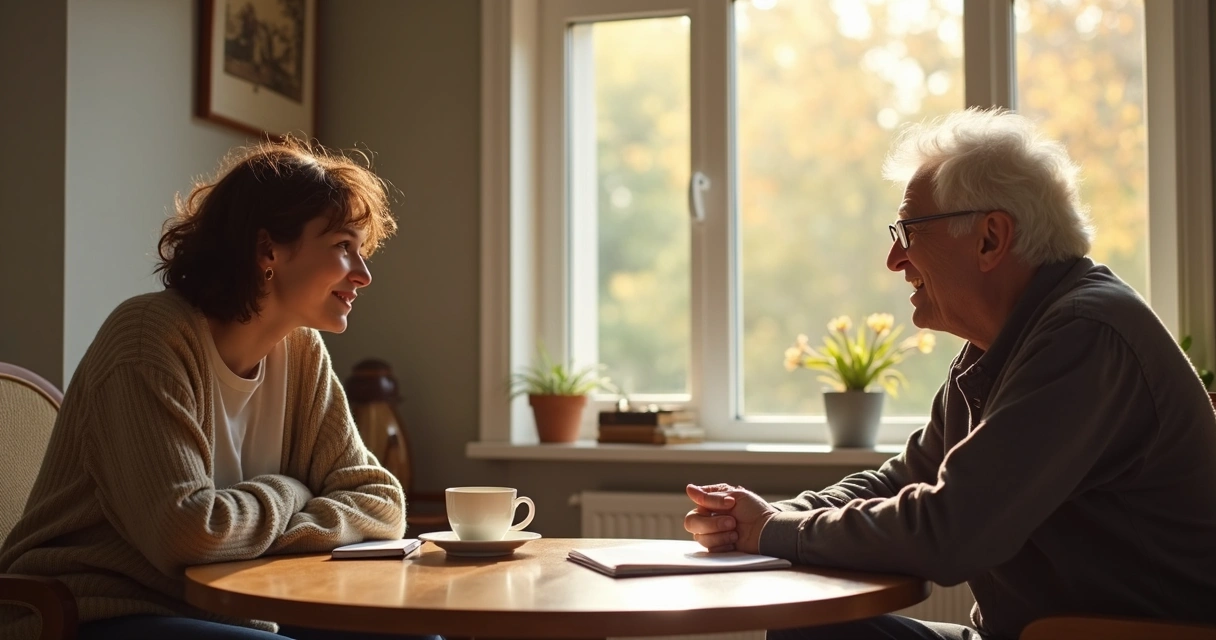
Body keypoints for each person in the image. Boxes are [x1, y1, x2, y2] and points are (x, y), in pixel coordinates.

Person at [684, 108, 1216, 640]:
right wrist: (767, 517)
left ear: (990, 238)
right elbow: (903, 479)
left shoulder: (1086, 334)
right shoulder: (1000, 344)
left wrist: (773, 531)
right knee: (808, 628)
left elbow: (950, 531)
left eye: (909, 232)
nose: (894, 258)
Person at [0, 138, 440, 640]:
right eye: (343, 246)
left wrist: (255, 523)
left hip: (235, 606)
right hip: (92, 611)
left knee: (419, 637)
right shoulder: (148, 338)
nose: (362, 275)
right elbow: (186, 533)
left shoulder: (301, 352)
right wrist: (290, 490)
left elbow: (381, 502)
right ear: (267, 249)